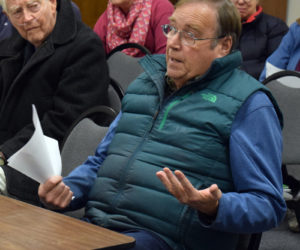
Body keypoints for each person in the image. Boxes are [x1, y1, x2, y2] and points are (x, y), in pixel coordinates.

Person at [39, 0, 286, 249]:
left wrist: (216, 206)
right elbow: (102, 162)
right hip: (101, 228)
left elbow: (268, 204)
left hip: (167, 239)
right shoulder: (144, 85)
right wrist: (68, 190)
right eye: (172, 29)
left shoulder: (249, 104)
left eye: (190, 35)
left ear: (223, 45)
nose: (174, 43)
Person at [0, 0, 110, 205]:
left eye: (33, 7)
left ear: (52, 3)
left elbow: (64, 123)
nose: (26, 18)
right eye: (17, 12)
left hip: (46, 169)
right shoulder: (13, 45)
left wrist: (4, 152)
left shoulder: (85, 47)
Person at [93, 0, 174, 57]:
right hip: (114, 79)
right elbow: (94, 62)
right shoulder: (106, 18)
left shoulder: (161, 8)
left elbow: (165, 58)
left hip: (153, 79)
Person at [232, 0, 288, 79]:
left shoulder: (276, 26)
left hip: (259, 86)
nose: (241, 1)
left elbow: (275, 67)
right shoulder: (219, 25)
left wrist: (234, 73)